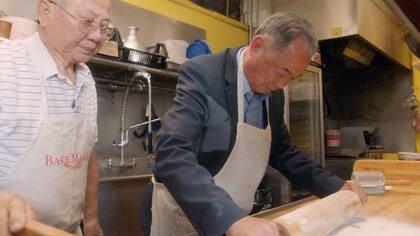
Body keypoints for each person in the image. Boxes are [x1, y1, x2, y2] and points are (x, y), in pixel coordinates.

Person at [139, 12, 367, 236]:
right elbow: (172, 152)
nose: (282, 84)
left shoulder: (274, 93)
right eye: (282, 72)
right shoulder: (204, 74)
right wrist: (230, 218)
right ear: (258, 45)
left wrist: (335, 187)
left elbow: (283, 151)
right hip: (186, 212)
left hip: (236, 219)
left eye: (292, 78)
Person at [0, 0, 111, 235]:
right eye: (87, 21)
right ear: (46, 11)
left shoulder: (86, 79)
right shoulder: (6, 63)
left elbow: (85, 153)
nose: (97, 36)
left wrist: (90, 219)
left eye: (104, 26)